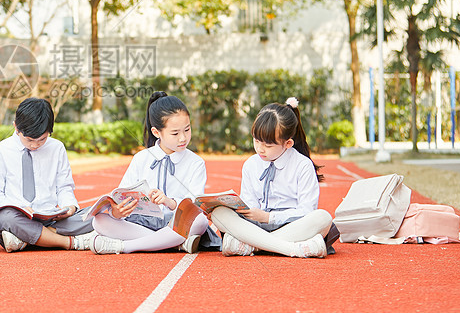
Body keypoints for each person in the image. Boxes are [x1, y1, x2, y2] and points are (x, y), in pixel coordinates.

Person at [208, 97, 337, 258]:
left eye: (268, 145)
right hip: (255, 226)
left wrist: (269, 217)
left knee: (323, 217)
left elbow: (306, 209)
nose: (260, 149)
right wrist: (243, 210)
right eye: (256, 141)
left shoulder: (302, 165)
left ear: (288, 143)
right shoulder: (251, 164)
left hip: (291, 226)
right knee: (218, 213)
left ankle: (252, 247)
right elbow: (250, 202)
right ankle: (293, 248)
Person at [89, 91, 216, 255]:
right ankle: (172, 243)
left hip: (176, 223)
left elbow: (195, 205)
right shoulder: (141, 159)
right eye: (175, 133)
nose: (183, 138)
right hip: (143, 223)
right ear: (157, 132)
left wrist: (169, 202)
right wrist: (117, 211)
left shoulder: (195, 163)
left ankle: (125, 247)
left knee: (199, 220)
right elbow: (121, 194)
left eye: (187, 129)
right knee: (99, 221)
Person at [0, 97, 95, 252]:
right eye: (28, 140)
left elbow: (64, 187)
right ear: (16, 127)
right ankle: (69, 242)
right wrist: (19, 207)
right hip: (18, 219)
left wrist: (69, 208)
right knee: (4, 217)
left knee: (97, 215)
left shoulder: (57, 148)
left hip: (52, 219)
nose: (34, 145)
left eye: (42, 139)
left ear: (49, 131)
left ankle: (26, 240)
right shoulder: (0, 151)